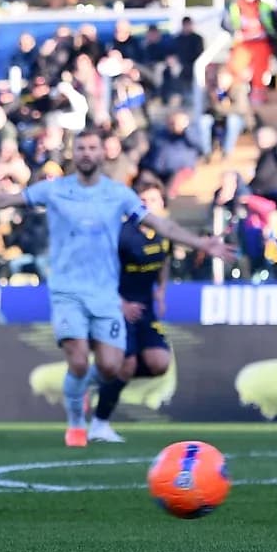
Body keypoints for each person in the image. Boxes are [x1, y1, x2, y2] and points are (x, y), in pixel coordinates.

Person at [0, 130, 235, 447]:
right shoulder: (55, 190)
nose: (86, 153)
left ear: (102, 154)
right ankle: (76, 424)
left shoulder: (118, 194)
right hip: (67, 292)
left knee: (111, 366)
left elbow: (161, 225)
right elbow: (6, 199)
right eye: (81, 148)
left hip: (106, 294)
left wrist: (199, 242)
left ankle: (80, 392)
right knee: (79, 362)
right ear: (73, 153)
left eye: (92, 148)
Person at [91, 176, 173, 444]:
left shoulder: (165, 232)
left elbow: (164, 260)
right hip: (118, 306)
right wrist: (121, 304)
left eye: (153, 200)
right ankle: (99, 423)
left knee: (159, 363)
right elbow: (100, 275)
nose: (148, 205)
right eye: (143, 201)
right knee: (127, 365)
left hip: (145, 307)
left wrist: (161, 290)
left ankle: (103, 378)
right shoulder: (122, 235)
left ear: (163, 204)